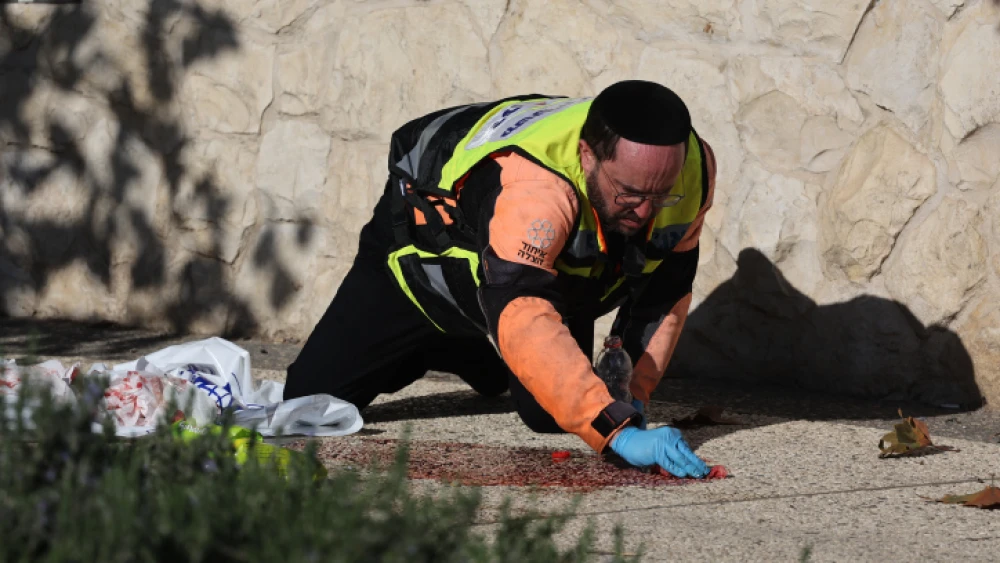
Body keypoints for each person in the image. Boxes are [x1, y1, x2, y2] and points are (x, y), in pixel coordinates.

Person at [284, 80, 717, 478]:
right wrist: (616, 432)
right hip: (426, 264)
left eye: (662, 195)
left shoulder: (695, 169)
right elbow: (522, 308)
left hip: (546, 275)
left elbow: (665, 291)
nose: (647, 213)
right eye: (631, 194)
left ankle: (484, 352)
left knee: (553, 416)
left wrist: (631, 400)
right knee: (307, 396)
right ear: (588, 156)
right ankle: (444, 341)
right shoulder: (534, 187)